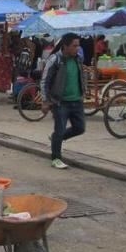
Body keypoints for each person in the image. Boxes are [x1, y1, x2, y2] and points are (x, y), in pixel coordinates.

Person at [41, 33, 85, 169]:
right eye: (74, 46)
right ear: (65, 46)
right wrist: (45, 101)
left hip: (77, 100)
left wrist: (83, 91)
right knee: (59, 130)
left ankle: (56, 138)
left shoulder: (78, 59)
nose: (77, 48)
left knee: (80, 128)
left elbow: (80, 76)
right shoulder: (55, 59)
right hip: (60, 102)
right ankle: (56, 158)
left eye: (78, 45)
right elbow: (45, 80)